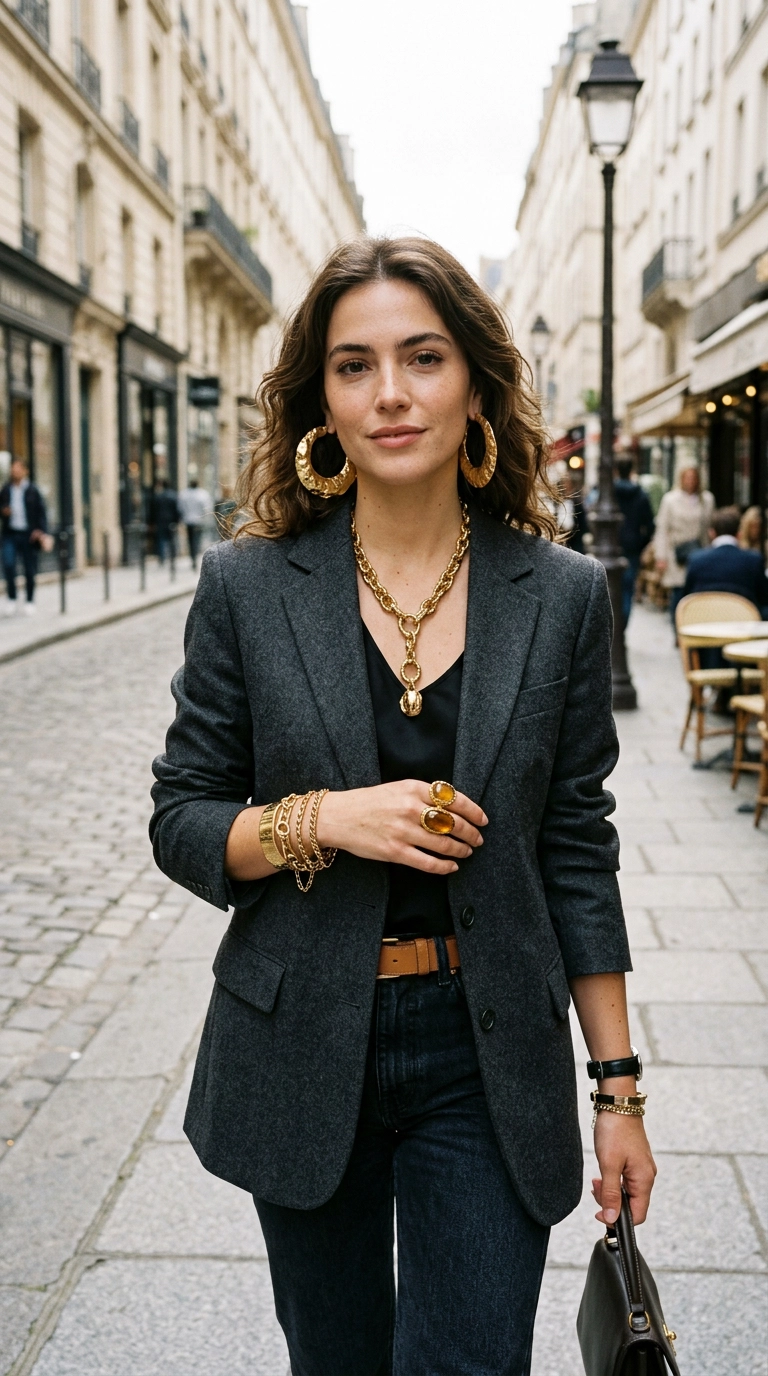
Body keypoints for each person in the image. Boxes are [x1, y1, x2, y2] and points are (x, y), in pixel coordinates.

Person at [150, 237, 655, 1376]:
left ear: (473, 380)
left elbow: (577, 844)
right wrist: (323, 817)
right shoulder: (248, 585)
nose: (389, 393)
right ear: (319, 398)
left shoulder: (564, 592)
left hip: (489, 1044)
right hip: (301, 1037)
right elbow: (183, 816)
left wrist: (618, 1089)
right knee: (335, 1359)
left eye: (422, 357)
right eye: (353, 364)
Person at [654, 465, 714, 624]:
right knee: (679, 591)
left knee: (696, 591)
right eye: (687, 477)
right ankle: (678, 629)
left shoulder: (706, 499)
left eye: (693, 477)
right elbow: (662, 529)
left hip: (699, 551)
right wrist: (661, 556)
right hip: (677, 551)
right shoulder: (670, 499)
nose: (691, 481)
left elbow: (708, 528)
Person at [684, 505, 768, 614]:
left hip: (705, 623)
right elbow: (764, 598)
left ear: (712, 533)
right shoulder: (754, 560)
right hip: (743, 624)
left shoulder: (695, 559)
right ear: (739, 535)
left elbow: (687, 598)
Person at [1, 458, 49, 616]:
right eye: (13, 469)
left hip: (28, 535)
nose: (15, 472)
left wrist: (40, 531)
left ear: (25, 471)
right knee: (8, 566)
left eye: (18, 469)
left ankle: (29, 600)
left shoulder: (32, 490)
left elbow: (42, 513)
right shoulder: (6, 489)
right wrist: (4, 512)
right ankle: (12, 598)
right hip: (10, 534)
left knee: (29, 569)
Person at [614, 457, 655, 626]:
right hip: (631, 549)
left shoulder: (608, 492)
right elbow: (650, 525)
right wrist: (640, 542)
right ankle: (623, 627)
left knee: (609, 590)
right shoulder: (641, 495)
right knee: (627, 591)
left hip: (611, 545)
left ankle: (615, 629)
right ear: (631, 471)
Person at [178, 478, 213, 570]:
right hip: (198, 521)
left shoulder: (184, 494)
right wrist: (205, 518)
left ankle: (193, 558)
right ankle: (194, 558)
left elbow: (180, 508)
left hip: (188, 521)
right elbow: (207, 508)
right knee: (196, 540)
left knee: (190, 540)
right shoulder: (202, 494)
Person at [150, 479, 180, 565]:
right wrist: (177, 520)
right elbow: (176, 510)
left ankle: (162, 558)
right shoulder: (173, 496)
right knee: (172, 539)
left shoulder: (158, 496)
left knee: (161, 539)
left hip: (160, 521)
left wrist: (152, 521)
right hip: (171, 520)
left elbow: (153, 510)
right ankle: (172, 556)